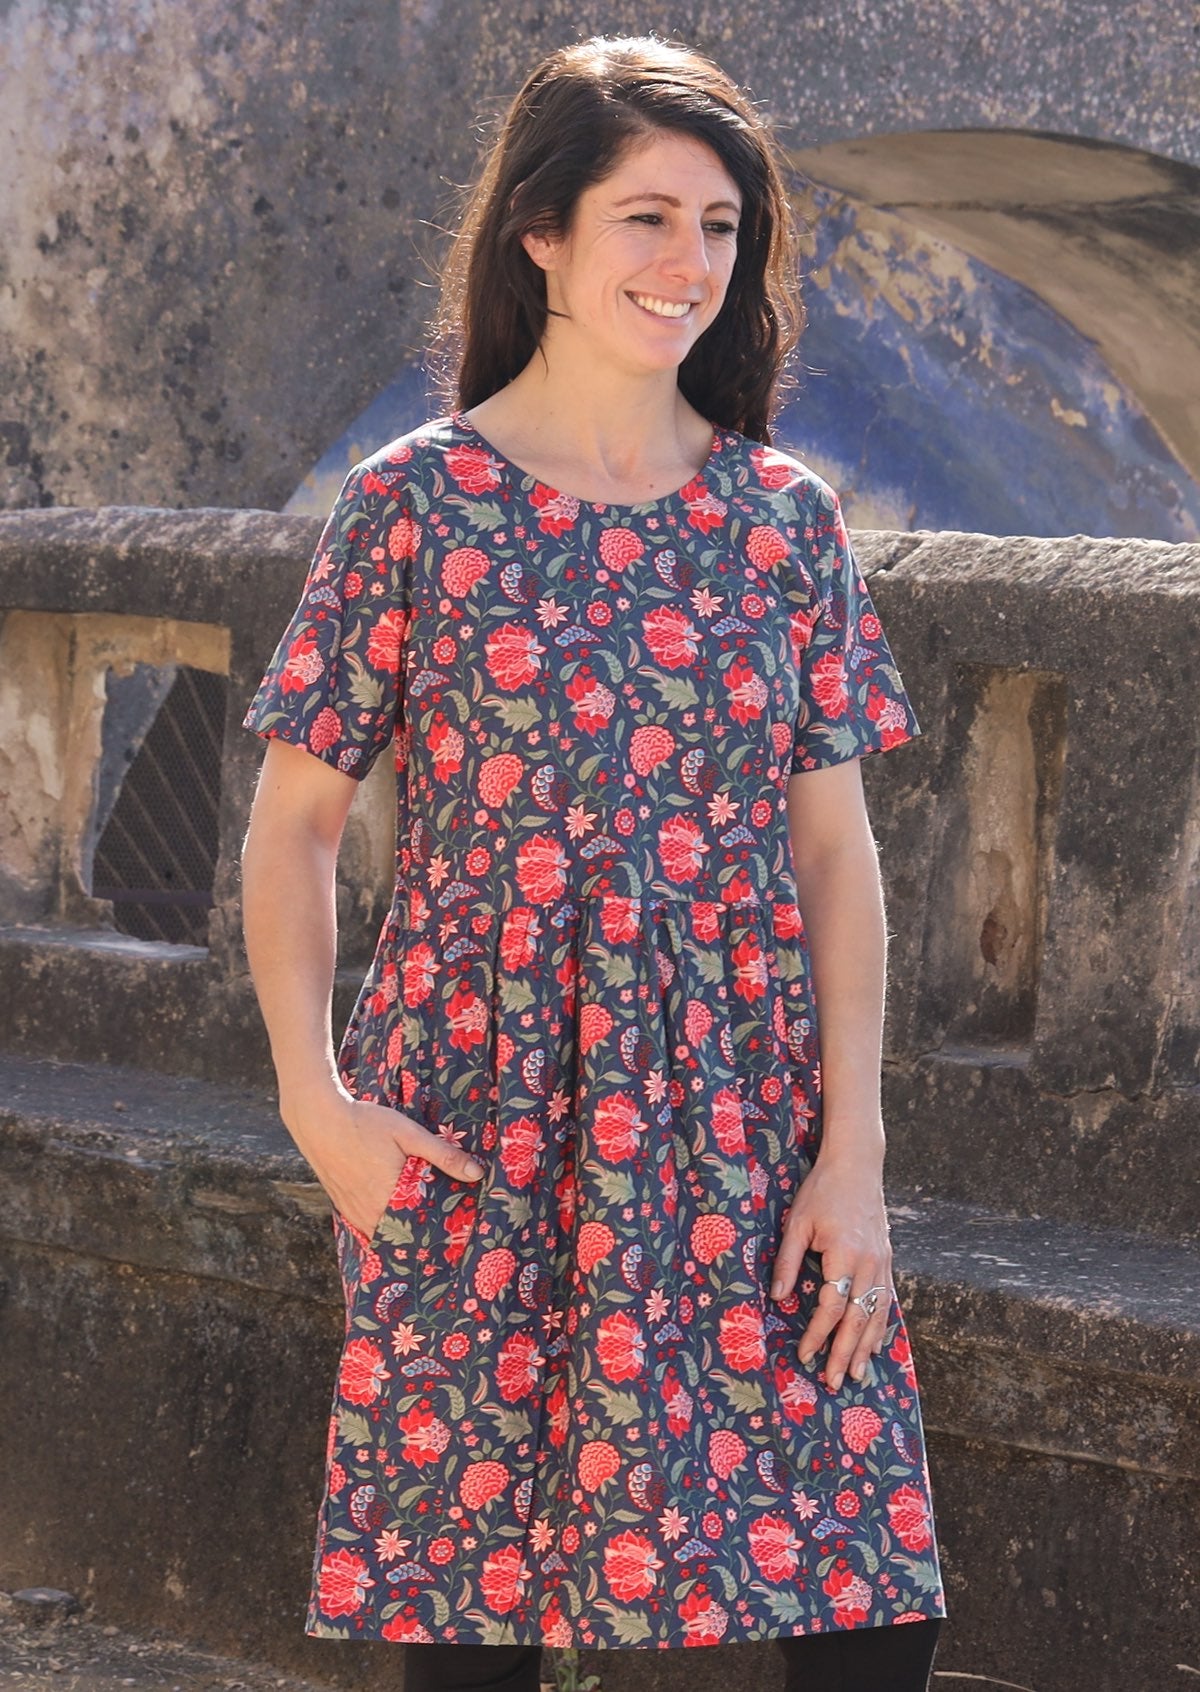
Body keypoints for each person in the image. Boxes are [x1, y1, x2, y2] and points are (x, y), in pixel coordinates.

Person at [240, 32, 948, 1692]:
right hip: (478, 1109)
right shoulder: (416, 506)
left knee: (866, 1593)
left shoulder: (785, 521)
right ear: (540, 235)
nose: (689, 263)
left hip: (745, 1119)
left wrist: (856, 1152)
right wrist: (313, 1108)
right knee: (472, 1613)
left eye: (721, 227)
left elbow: (835, 859)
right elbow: (295, 823)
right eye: (647, 218)